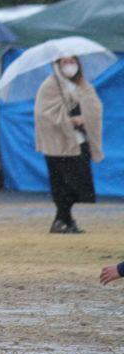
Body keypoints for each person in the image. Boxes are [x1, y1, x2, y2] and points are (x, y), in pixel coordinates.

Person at [35, 56, 103, 234]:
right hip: (58, 144)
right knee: (62, 184)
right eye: (65, 62)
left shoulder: (83, 85)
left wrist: (85, 118)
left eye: (72, 61)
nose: (69, 66)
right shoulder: (50, 85)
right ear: (58, 65)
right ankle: (62, 219)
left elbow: (94, 107)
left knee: (79, 183)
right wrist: (68, 120)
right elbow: (44, 113)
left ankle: (64, 219)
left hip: (79, 140)